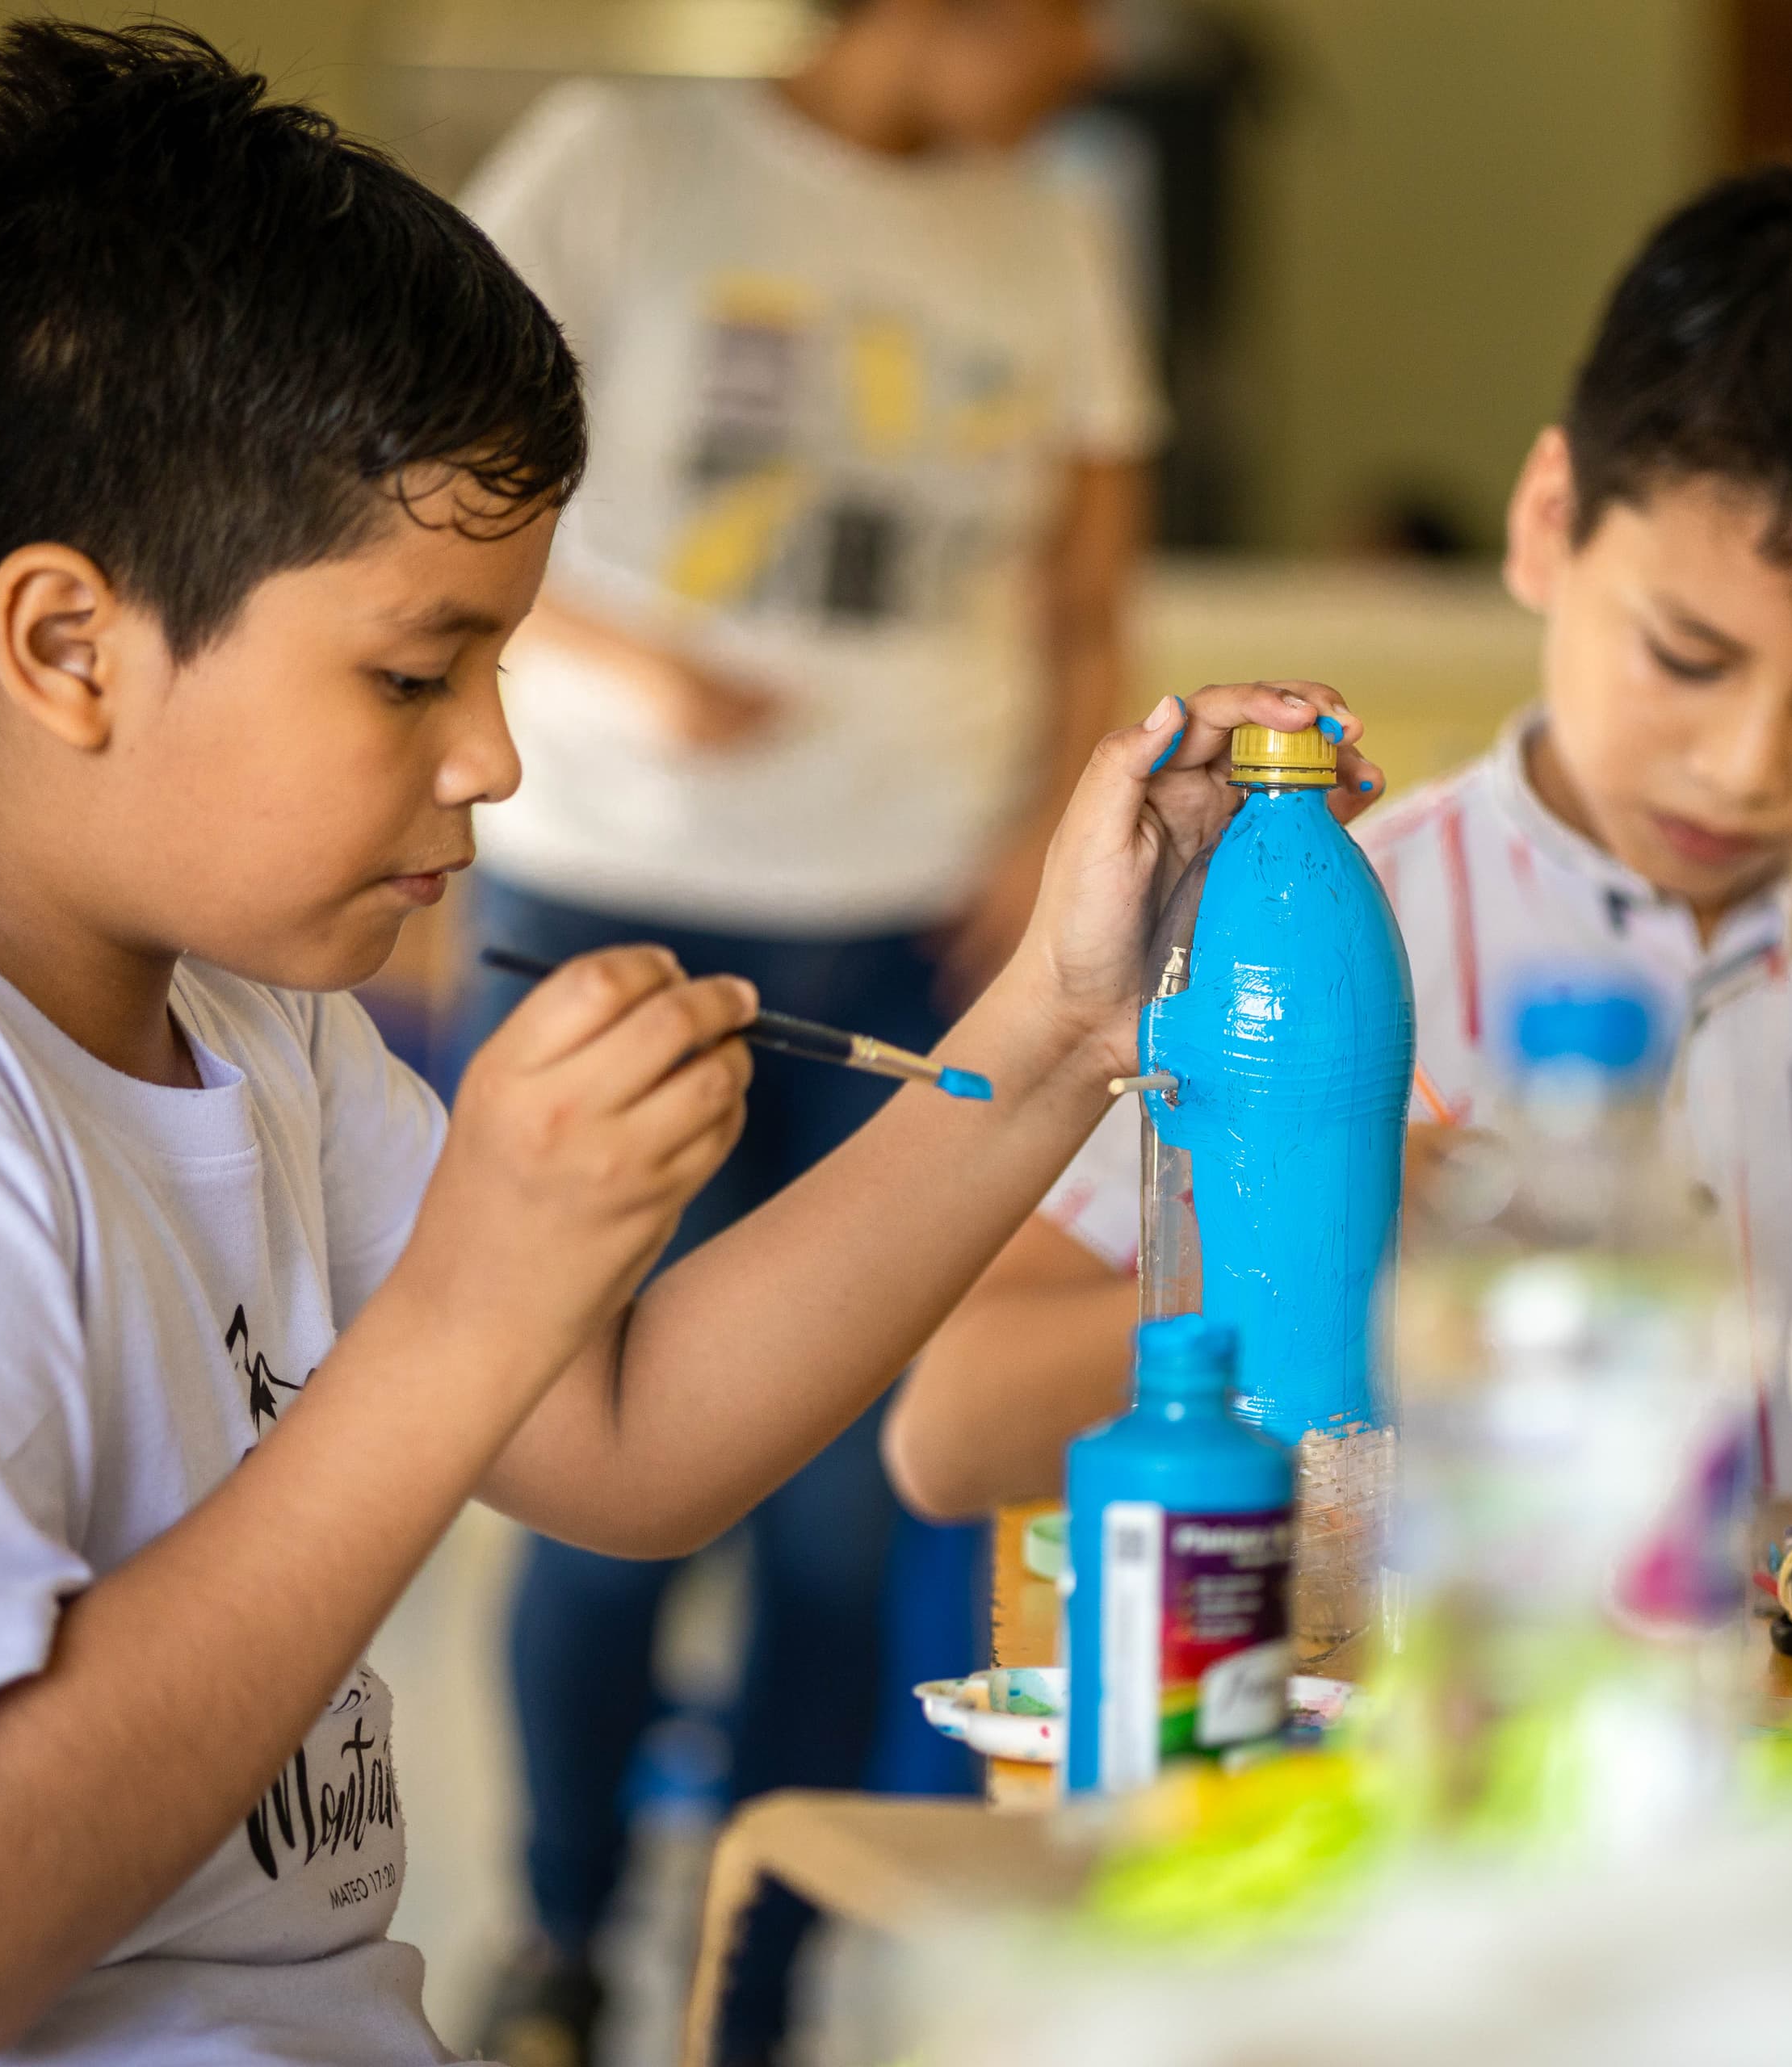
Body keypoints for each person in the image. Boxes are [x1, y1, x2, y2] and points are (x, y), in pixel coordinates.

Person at [0, 24, 1361, 2065]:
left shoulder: (239, 1007)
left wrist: (1072, 1011)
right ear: (65, 647)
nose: (490, 751)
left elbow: (628, 1435)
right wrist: (469, 1305)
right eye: (415, 670)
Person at [884, 167, 1792, 1520]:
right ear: (1550, 520)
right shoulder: (1318, 924)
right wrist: (1326, 1255)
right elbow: (949, 1437)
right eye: (1686, 655)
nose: (1744, 765)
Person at [448, 2, 1160, 2056]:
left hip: (901, 931)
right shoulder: (617, 159)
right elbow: (389, 475)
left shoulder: (1058, 231)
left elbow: (1083, 590)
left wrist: (1042, 824)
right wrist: (628, 660)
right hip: (613, 888)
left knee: (849, 1512)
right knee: (590, 1472)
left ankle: (744, 1981)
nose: (1088, 50)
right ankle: (565, 1937)